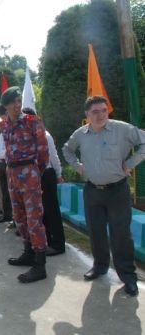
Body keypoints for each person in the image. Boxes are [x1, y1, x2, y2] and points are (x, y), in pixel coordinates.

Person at [63, 95, 143, 296]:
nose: (100, 115)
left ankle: (127, 276)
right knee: (96, 231)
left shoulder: (122, 129)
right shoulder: (81, 134)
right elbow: (67, 150)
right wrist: (78, 167)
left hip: (117, 190)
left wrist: (130, 164)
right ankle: (99, 267)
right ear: (87, 115)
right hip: (92, 191)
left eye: (104, 110)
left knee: (121, 235)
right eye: (95, 112)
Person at [0, 87, 49, 283]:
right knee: (19, 217)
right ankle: (28, 252)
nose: (17, 105)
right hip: (12, 173)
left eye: (19, 101)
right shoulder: (5, 126)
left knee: (34, 218)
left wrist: (36, 174)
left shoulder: (32, 122)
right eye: (13, 102)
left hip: (29, 173)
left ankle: (40, 264)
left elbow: (43, 152)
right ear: (5, 106)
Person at [22, 107, 65, 256]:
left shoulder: (45, 135)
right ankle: (46, 241)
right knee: (41, 210)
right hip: (33, 176)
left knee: (52, 210)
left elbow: (54, 157)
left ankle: (58, 244)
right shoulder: (25, 136)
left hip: (46, 174)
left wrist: (59, 174)